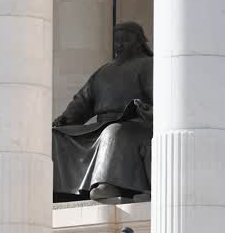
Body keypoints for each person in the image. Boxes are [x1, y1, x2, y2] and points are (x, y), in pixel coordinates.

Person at [52, 21, 153, 202]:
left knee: (114, 132)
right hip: (102, 124)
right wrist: (66, 119)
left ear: (139, 42)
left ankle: (107, 184)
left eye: (125, 40)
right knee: (57, 135)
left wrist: (147, 110)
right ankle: (61, 191)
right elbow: (82, 101)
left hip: (137, 123)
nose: (119, 45)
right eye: (117, 41)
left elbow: (163, 100)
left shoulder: (149, 65)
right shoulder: (104, 71)